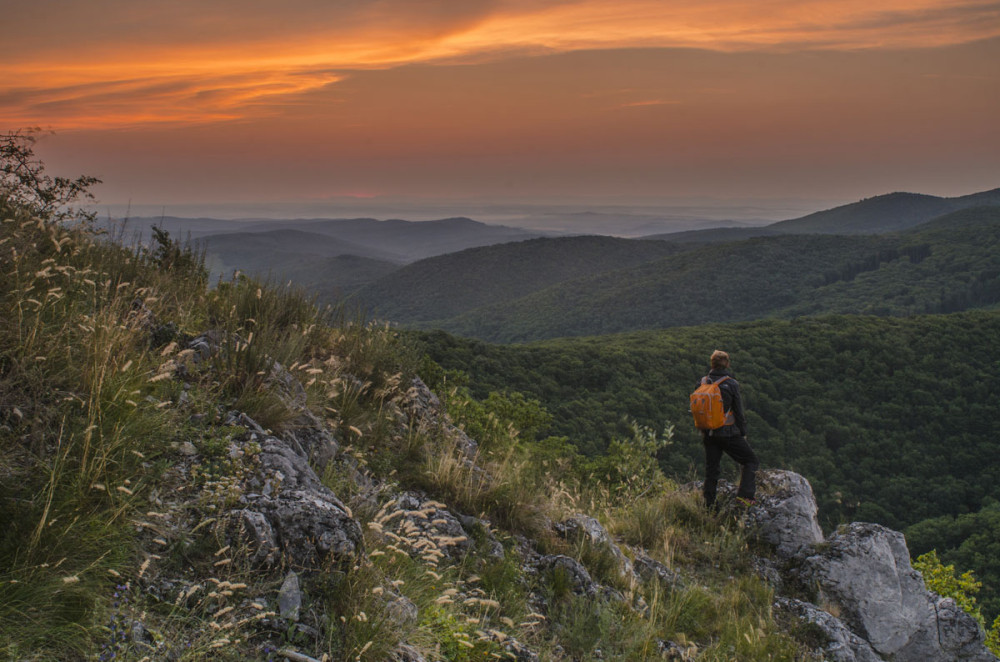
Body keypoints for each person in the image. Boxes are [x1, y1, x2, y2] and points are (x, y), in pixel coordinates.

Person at [699, 350, 758, 508]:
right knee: (751, 461)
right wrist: (743, 433)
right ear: (727, 364)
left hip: (708, 433)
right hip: (728, 433)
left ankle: (709, 506)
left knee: (712, 470)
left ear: (712, 364)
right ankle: (745, 496)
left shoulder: (703, 382)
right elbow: (738, 412)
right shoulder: (731, 384)